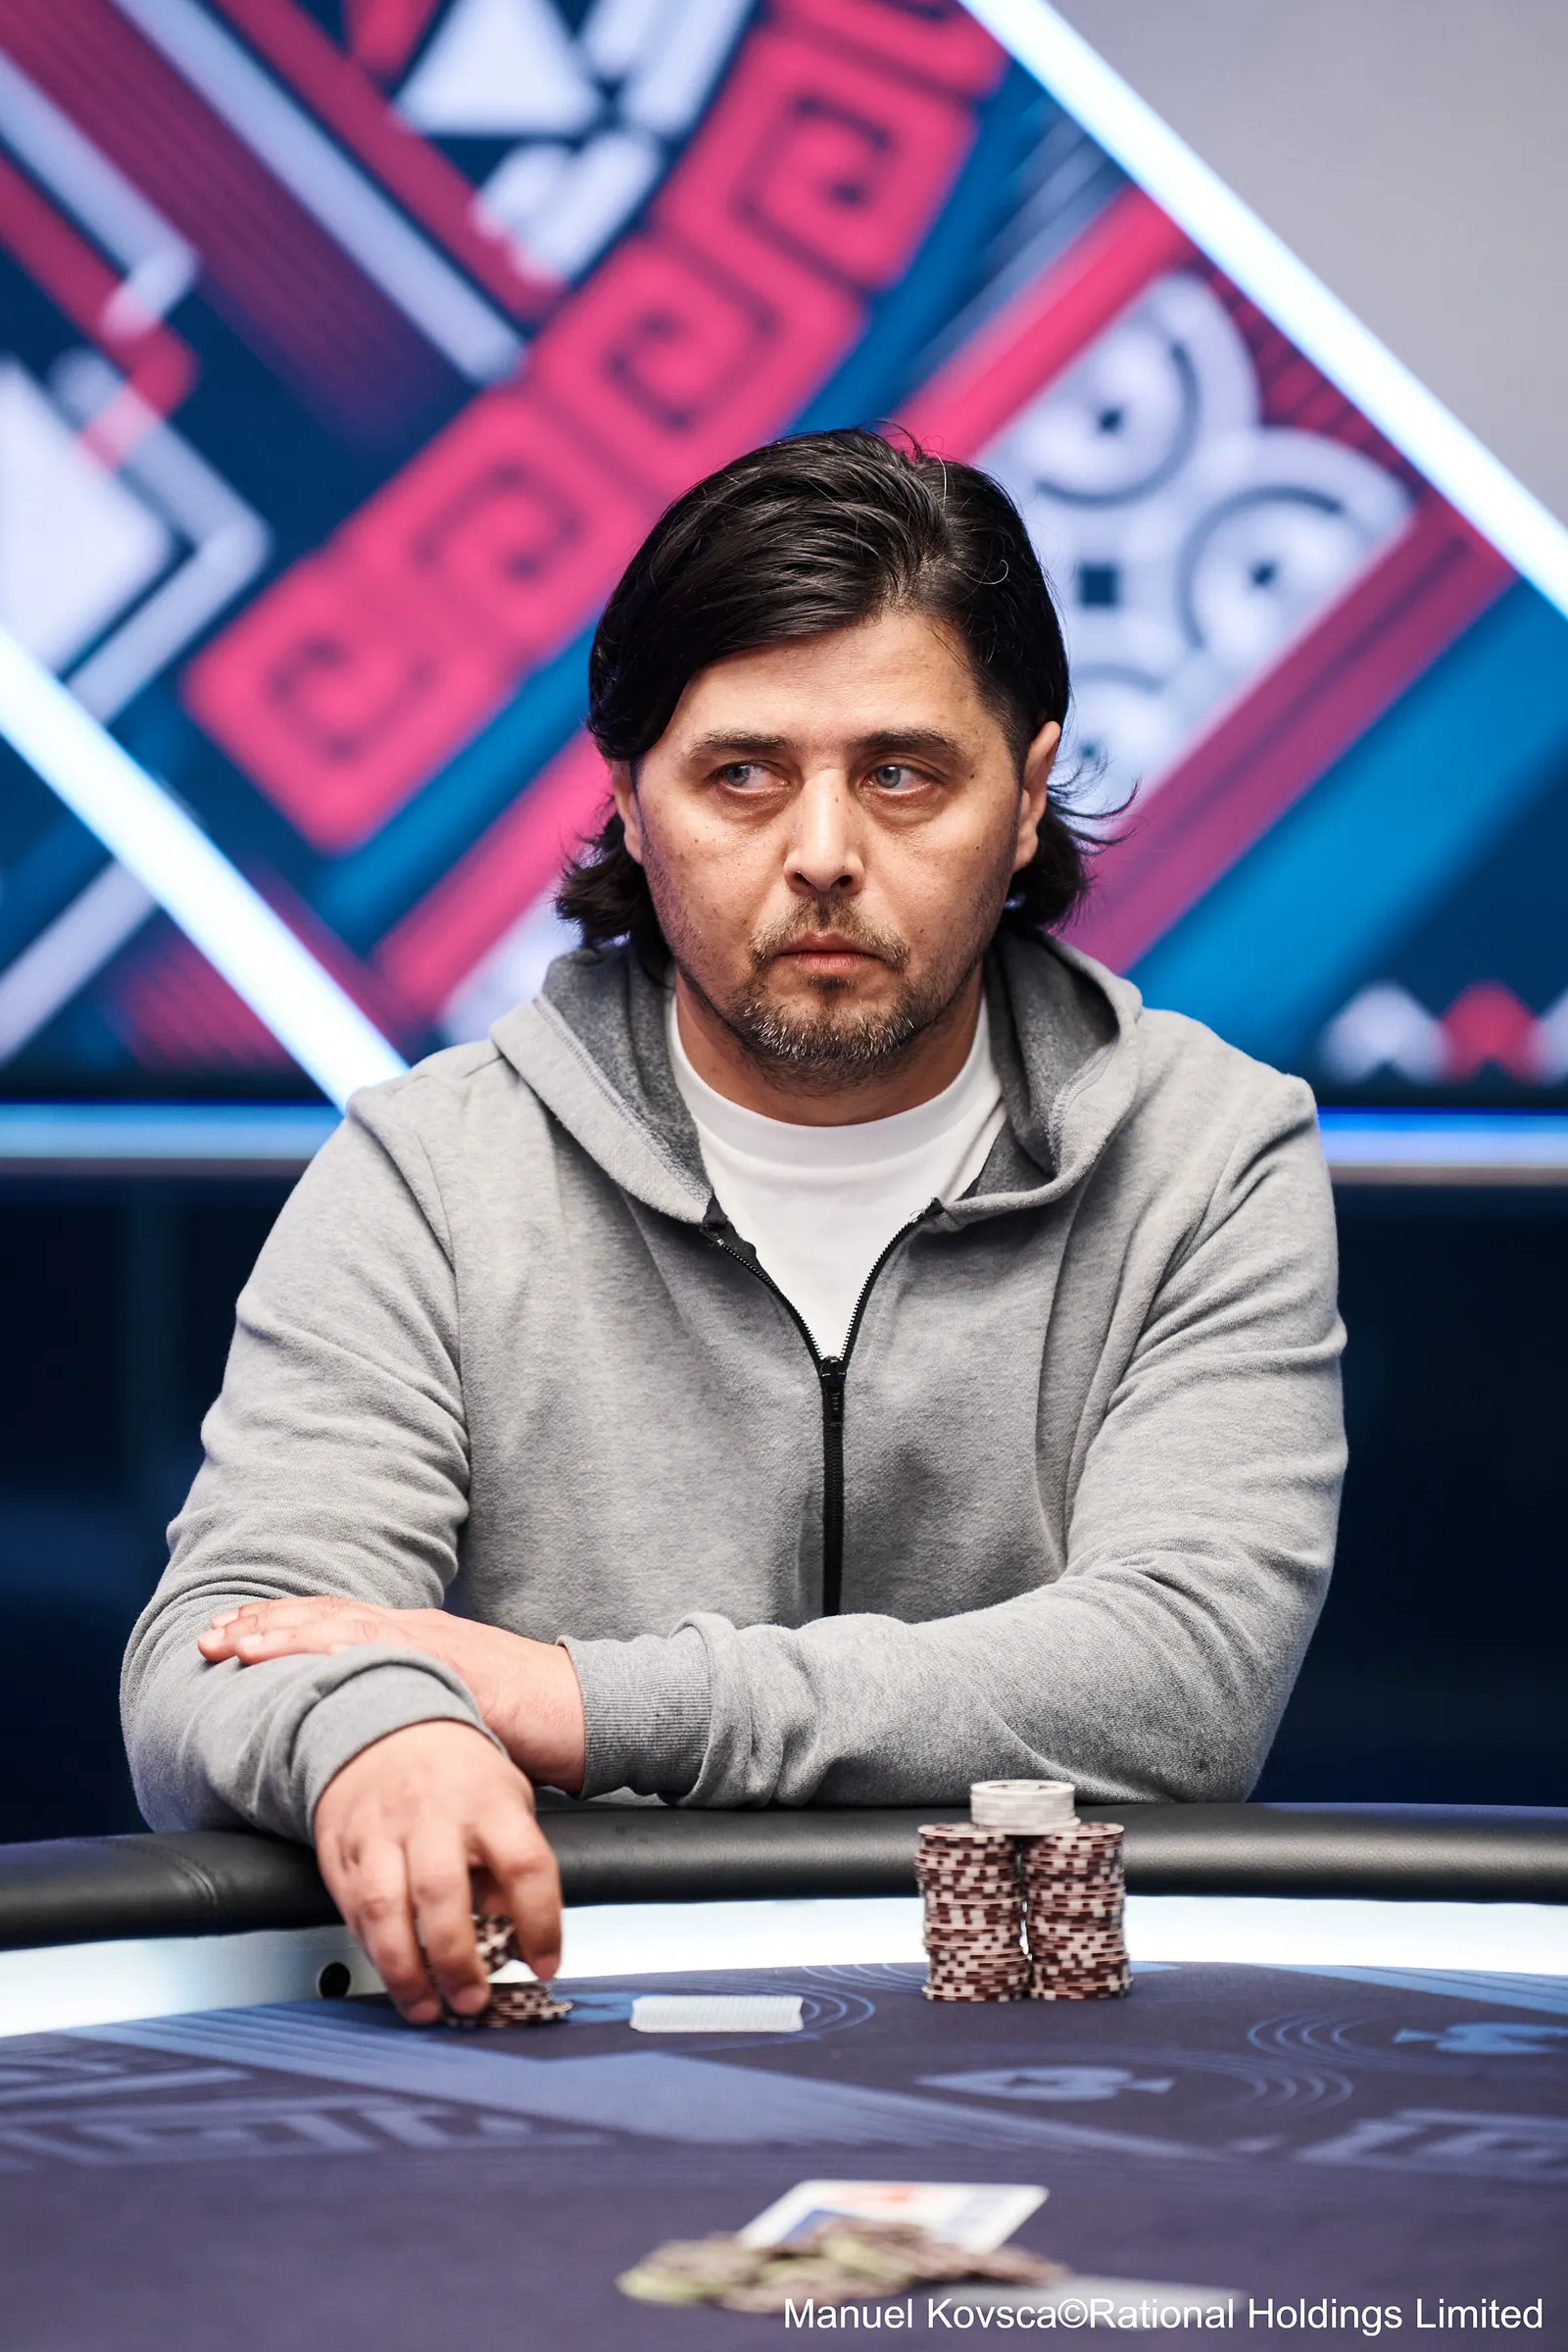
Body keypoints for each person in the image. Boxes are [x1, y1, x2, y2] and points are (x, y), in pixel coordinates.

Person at [122, 429, 1346, 2026]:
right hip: (559, 2042)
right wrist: (382, 1734)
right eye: (743, 776)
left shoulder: (1210, 1151)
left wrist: (572, 1702)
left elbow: (1180, 1683)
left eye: (901, 774)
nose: (824, 854)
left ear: (1028, 795)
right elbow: (220, 1647)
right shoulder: (431, 1169)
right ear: (631, 805)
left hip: (1042, 2039)